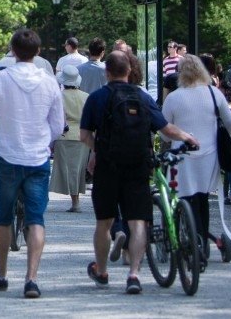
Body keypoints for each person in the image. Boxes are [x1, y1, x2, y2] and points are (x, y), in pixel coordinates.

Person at [81, 50, 198, 294]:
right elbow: (165, 128)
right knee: (137, 223)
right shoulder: (142, 97)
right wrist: (187, 137)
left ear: (107, 72)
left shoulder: (96, 98)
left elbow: (84, 135)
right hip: (138, 165)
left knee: (104, 222)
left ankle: (102, 271)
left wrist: (98, 150)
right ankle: (134, 274)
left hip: (108, 167)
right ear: (129, 71)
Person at [0, 28, 65, 300]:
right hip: (37, 158)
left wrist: (0, 113)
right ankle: (31, 278)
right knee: (36, 219)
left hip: (9, 157)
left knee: (3, 215)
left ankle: (2, 272)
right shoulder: (49, 82)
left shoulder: (0, 79)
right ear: (38, 52)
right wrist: (43, 139)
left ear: (12, 51)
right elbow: (57, 126)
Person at [162, 55, 231, 261]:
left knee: (183, 197)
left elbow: (164, 131)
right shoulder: (213, 93)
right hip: (209, 154)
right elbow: (230, 121)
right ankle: (202, 239)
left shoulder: (174, 97)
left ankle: (187, 238)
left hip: (182, 155)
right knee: (202, 197)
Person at [51, 64, 88, 212]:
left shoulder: (58, 96)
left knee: (66, 170)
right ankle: (76, 201)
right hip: (81, 136)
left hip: (63, 135)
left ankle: (75, 202)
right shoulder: (86, 96)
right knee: (78, 170)